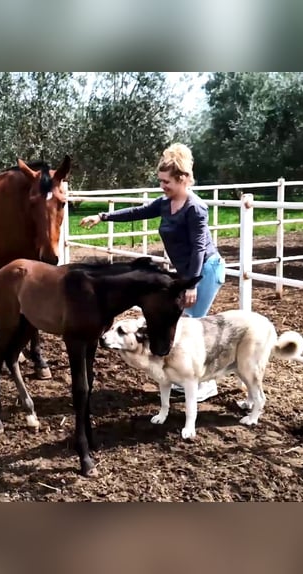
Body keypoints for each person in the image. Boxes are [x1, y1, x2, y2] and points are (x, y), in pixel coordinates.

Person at [79, 143, 226, 402]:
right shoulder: (165, 202)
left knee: (192, 325)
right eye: (160, 181)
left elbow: (199, 249)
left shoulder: (195, 208)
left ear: (182, 179)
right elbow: (137, 212)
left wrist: (190, 286)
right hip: (188, 274)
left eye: (166, 181)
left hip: (204, 271)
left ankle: (204, 384)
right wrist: (103, 216)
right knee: (181, 323)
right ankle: (193, 379)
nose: (162, 186)